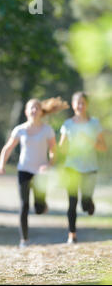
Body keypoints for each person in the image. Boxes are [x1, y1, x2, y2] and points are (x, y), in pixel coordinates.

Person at [0, 98, 68, 248]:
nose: (34, 111)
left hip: (41, 172)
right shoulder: (19, 129)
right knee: (24, 205)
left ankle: (43, 205)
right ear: (26, 112)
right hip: (24, 170)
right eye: (31, 108)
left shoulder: (47, 130)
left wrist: (49, 164)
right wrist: (1, 164)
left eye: (37, 108)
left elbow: (54, 152)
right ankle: (24, 240)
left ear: (41, 111)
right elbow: (8, 148)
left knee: (39, 209)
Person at [58, 92, 107, 244]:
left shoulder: (94, 123)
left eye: (83, 103)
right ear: (73, 105)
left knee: (85, 204)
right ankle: (72, 234)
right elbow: (61, 147)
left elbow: (103, 147)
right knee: (72, 203)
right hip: (71, 167)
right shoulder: (67, 124)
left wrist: (90, 141)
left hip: (90, 168)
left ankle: (89, 203)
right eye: (77, 103)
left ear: (87, 105)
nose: (80, 106)